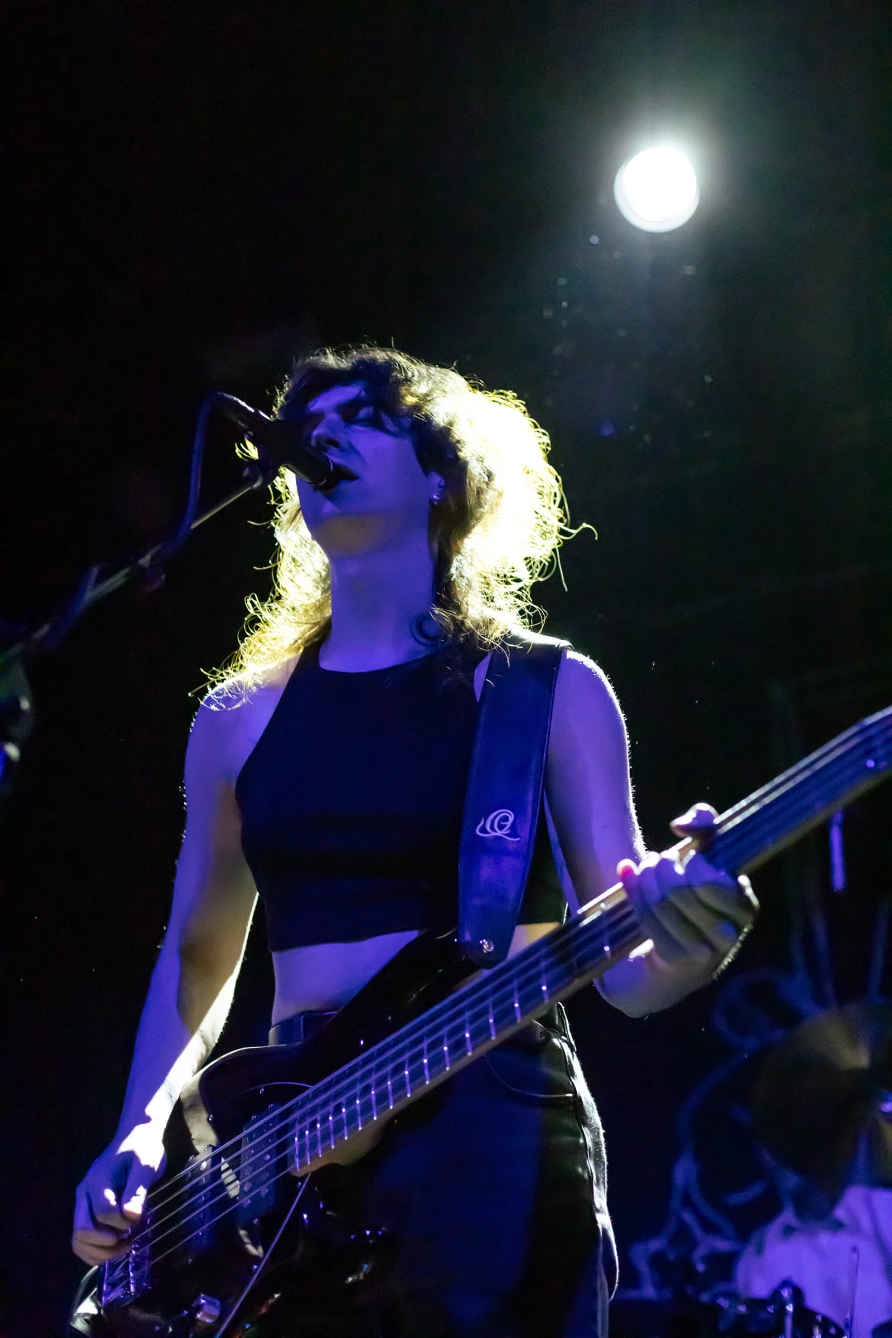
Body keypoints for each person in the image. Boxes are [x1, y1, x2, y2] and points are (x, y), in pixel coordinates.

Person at [72, 346, 758, 1336]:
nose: (328, 432)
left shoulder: (545, 692)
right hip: (288, 1140)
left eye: (365, 415)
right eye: (312, 420)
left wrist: (696, 938)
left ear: (443, 477)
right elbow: (198, 953)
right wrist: (136, 1130)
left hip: (494, 1120)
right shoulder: (234, 718)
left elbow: (626, 970)